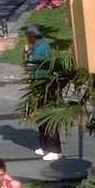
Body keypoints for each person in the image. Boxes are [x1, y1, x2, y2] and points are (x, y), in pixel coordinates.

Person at [24, 25, 62, 161]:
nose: (26, 38)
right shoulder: (40, 46)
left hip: (45, 87)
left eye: (27, 35)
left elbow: (29, 67)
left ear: (31, 36)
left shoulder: (40, 49)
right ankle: (45, 146)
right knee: (41, 118)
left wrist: (27, 54)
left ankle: (55, 149)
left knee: (47, 118)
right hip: (40, 86)